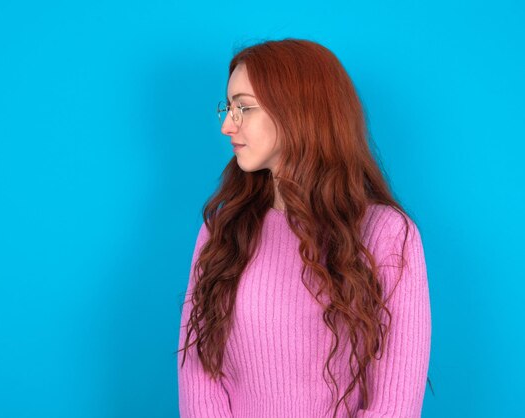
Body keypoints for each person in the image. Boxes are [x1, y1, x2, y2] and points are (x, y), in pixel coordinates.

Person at [176, 38, 432, 418]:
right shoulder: (223, 229)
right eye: (228, 108)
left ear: (299, 111)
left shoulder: (387, 233)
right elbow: (198, 371)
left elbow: (394, 402)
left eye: (244, 107)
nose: (228, 125)